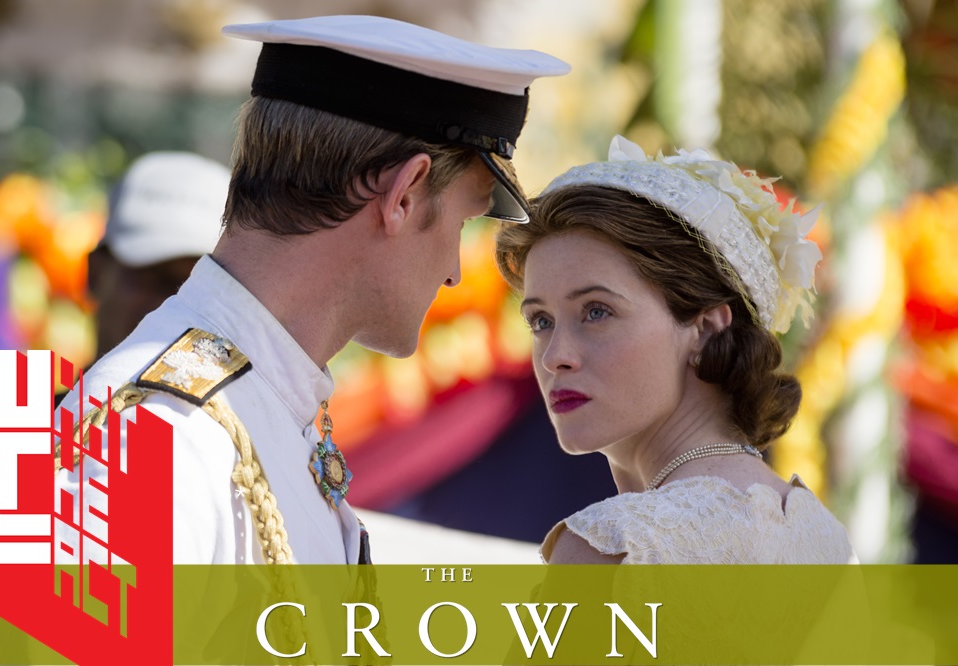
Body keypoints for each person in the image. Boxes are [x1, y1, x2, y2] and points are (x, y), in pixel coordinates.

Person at [54, 15, 569, 566]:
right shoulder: (159, 434)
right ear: (404, 193)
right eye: (462, 223)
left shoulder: (251, 401)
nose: (452, 273)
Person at [495, 135, 857, 564]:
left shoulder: (613, 544)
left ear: (704, 327)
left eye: (596, 312)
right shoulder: (825, 538)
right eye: (541, 321)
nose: (556, 355)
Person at [88, 151, 230, 359]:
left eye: (197, 291)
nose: (169, 307)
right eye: (153, 278)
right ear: (95, 273)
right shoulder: (27, 388)